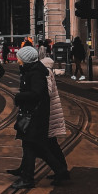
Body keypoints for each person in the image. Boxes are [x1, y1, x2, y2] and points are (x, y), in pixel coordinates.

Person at [10, 46, 67, 189]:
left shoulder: (35, 73)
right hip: (35, 114)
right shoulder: (33, 70)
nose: (17, 60)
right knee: (35, 146)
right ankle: (59, 172)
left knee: (35, 146)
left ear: (25, 59)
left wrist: (19, 96)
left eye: (19, 58)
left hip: (35, 115)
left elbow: (37, 93)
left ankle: (29, 178)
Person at [40, 56, 70, 184]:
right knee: (52, 144)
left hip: (50, 114)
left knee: (47, 145)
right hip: (53, 113)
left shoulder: (46, 73)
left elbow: (46, 91)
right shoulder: (49, 72)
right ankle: (62, 170)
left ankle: (62, 172)